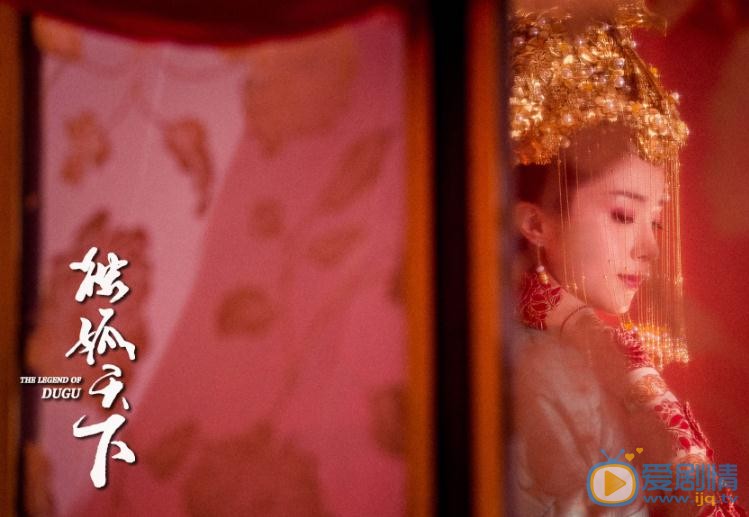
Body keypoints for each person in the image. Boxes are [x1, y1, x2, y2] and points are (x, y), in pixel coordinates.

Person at [507, 4, 744, 516]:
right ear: (535, 224)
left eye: (654, 220)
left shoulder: (588, 350)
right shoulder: (546, 365)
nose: (649, 248)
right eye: (621, 214)